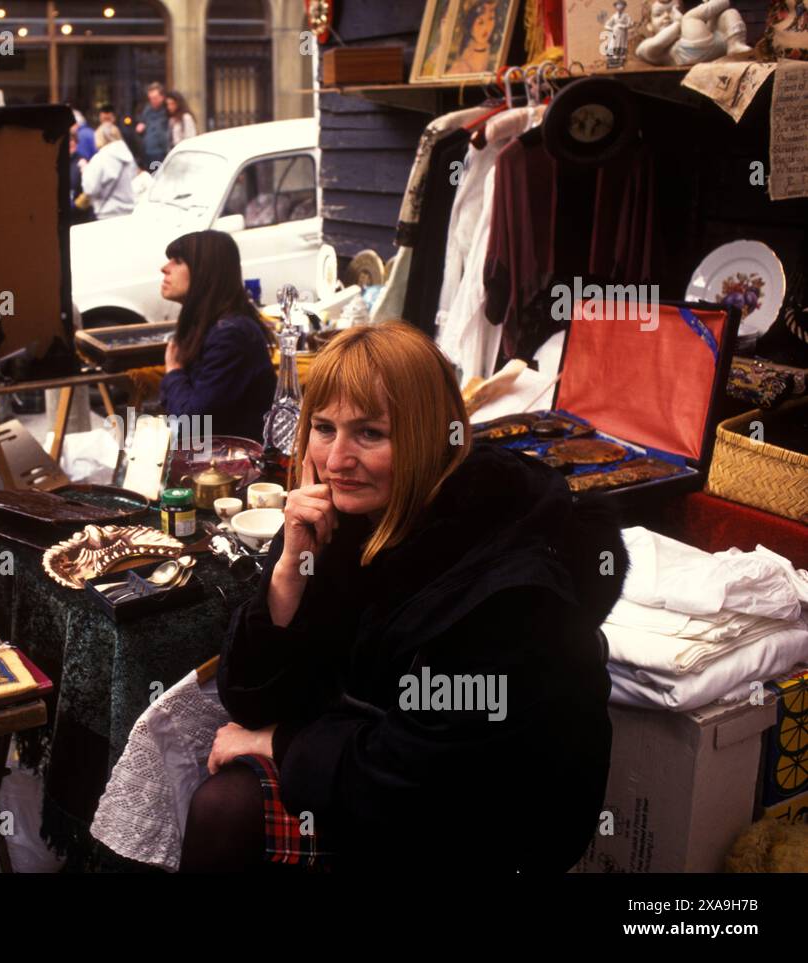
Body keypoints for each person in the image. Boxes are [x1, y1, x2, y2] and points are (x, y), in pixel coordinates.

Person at [174, 322, 622, 872]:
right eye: (323, 428)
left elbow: (417, 776)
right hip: (383, 768)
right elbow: (249, 698)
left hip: (484, 823)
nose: (337, 459)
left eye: (369, 434)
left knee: (231, 808)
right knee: (224, 800)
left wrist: (279, 744)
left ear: (432, 436)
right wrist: (289, 572)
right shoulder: (347, 519)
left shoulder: (505, 588)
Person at [158, 230, 276, 442]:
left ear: (204, 271)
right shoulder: (210, 326)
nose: (164, 268)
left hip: (238, 464)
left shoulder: (231, 335)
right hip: (215, 455)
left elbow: (192, 425)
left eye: (177, 261)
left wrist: (173, 372)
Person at [81, 122, 138, 219]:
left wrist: (84, 170)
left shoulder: (100, 158)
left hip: (107, 214)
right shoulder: (129, 157)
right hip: (129, 213)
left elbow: (90, 189)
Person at [446, 0, 501, 75]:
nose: (486, 27)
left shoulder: (495, 51)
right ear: (470, 24)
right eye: (480, 22)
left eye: (491, 18)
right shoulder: (463, 63)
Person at [135, 82, 170, 170]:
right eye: (150, 98)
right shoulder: (147, 110)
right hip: (147, 153)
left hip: (162, 153)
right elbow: (142, 125)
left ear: (162, 97)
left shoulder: (168, 111)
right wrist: (140, 129)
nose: (152, 101)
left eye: (155, 98)